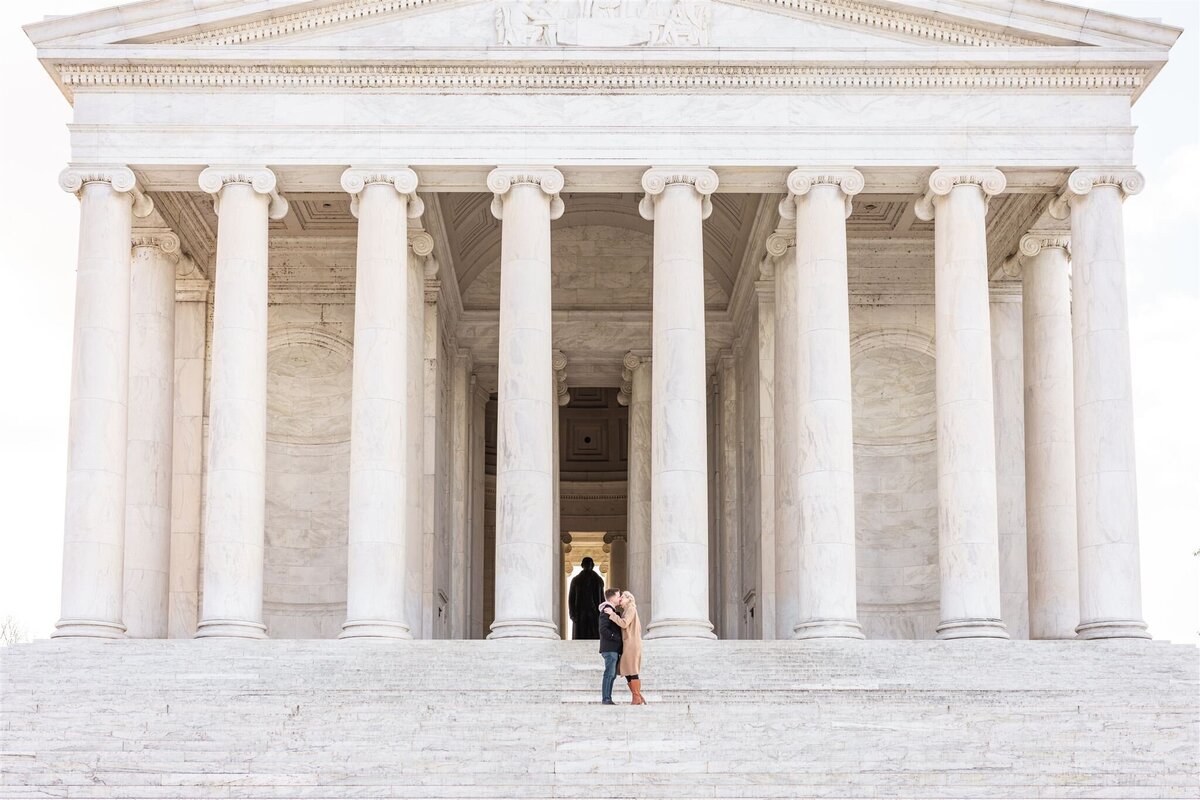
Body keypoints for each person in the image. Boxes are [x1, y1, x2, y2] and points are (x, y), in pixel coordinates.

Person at [604, 590, 645, 705]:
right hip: (628, 643)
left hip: (632, 644)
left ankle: (637, 696)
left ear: (629, 599)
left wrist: (612, 615)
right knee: (627, 669)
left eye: (623, 597)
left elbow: (624, 623)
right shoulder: (626, 610)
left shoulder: (631, 608)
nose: (620, 598)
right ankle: (637, 695)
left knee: (631, 669)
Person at [568, 557, 605, 640]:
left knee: (595, 634)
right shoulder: (576, 580)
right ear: (582, 565)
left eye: (590, 564)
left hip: (594, 611)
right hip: (580, 611)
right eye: (586, 564)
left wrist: (603, 613)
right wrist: (572, 613)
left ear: (592, 565)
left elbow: (602, 598)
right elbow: (571, 598)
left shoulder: (598, 580)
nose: (588, 566)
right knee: (580, 634)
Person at [598, 587, 623, 705]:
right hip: (609, 648)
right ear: (612, 597)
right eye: (619, 596)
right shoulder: (607, 609)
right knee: (609, 673)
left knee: (612, 674)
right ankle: (606, 698)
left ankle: (608, 698)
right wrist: (616, 637)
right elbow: (603, 629)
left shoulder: (611, 610)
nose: (620, 598)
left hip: (612, 648)